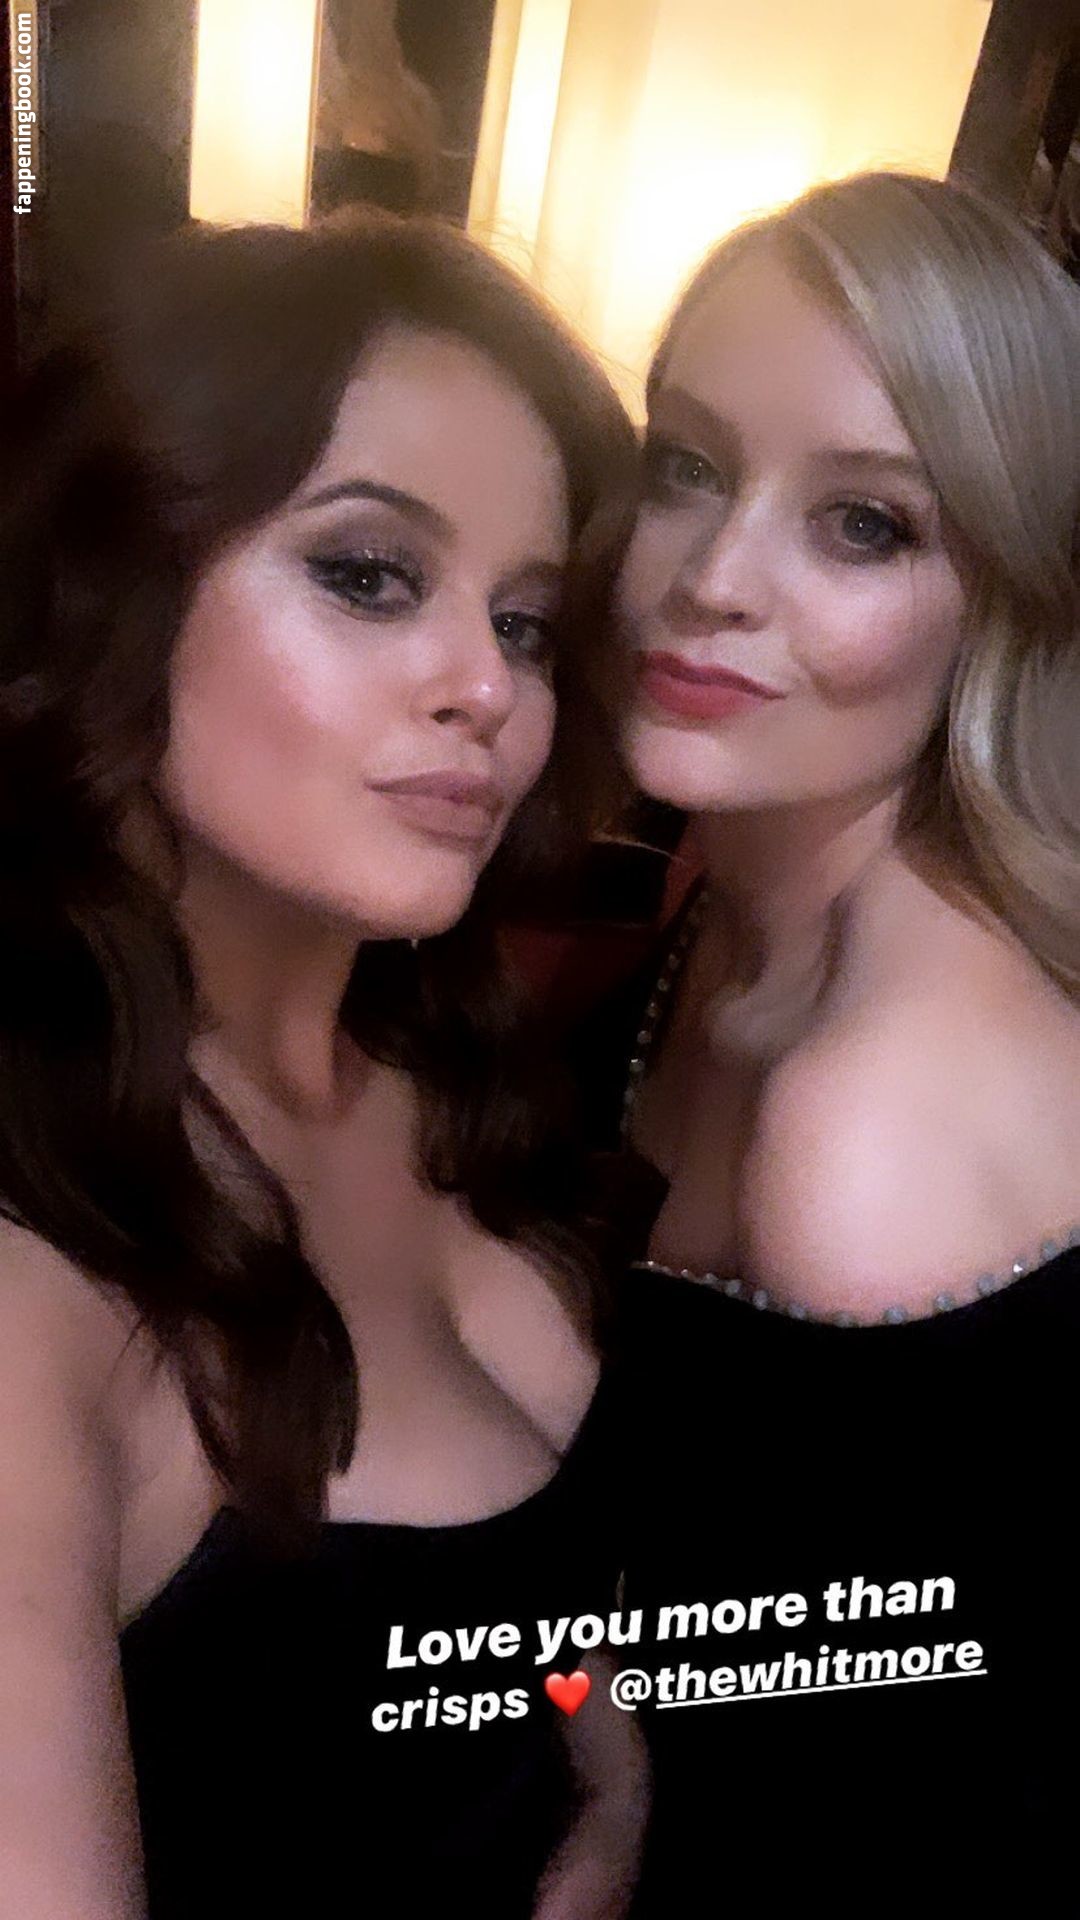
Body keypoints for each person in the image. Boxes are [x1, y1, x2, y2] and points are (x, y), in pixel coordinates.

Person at [0, 209, 645, 1920]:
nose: (486, 687)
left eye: (527, 623)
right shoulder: (32, 1254)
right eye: (369, 574)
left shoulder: (464, 1078)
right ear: (114, 588)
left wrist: (608, 1782)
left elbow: (525, 1604)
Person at [573, 172, 1080, 1904]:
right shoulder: (727, 894)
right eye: (686, 466)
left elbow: (835, 1815)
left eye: (864, 525)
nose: (713, 580)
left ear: (1004, 593)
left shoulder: (861, 1120)